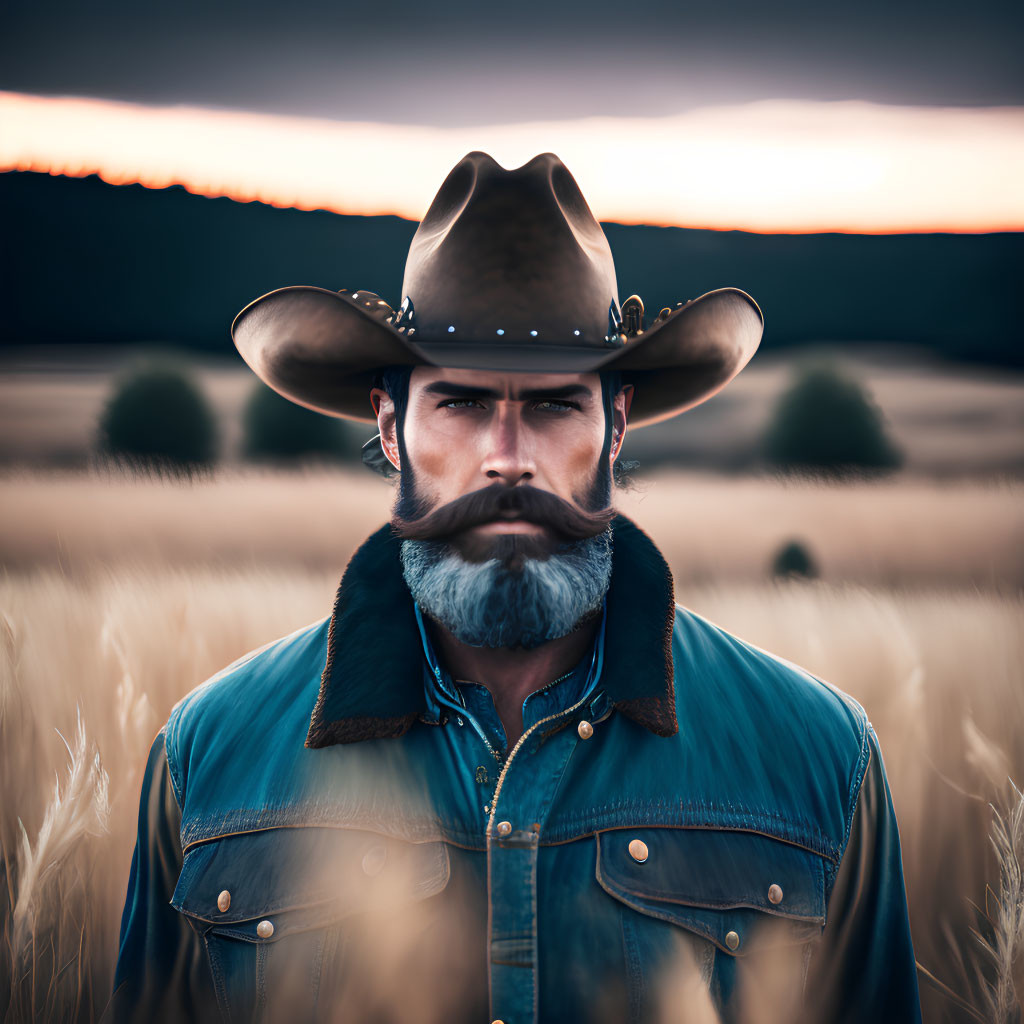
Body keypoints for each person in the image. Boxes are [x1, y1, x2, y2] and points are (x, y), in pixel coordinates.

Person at [106, 152, 922, 1024]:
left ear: (615, 426)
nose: (507, 455)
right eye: (458, 402)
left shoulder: (818, 760)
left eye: (553, 406)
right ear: (391, 427)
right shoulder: (210, 761)